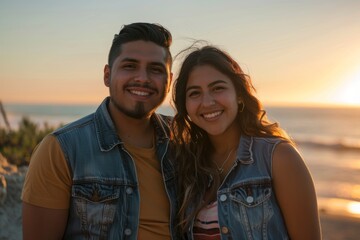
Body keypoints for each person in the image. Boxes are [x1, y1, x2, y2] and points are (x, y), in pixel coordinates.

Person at [22, 22, 178, 240]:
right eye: (130, 66)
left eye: (156, 69)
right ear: (107, 75)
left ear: (169, 82)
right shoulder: (62, 150)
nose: (143, 78)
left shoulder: (185, 143)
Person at [171, 45, 322, 239]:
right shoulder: (185, 164)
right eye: (194, 93)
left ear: (239, 95)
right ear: (185, 105)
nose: (207, 102)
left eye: (218, 88)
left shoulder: (279, 158)